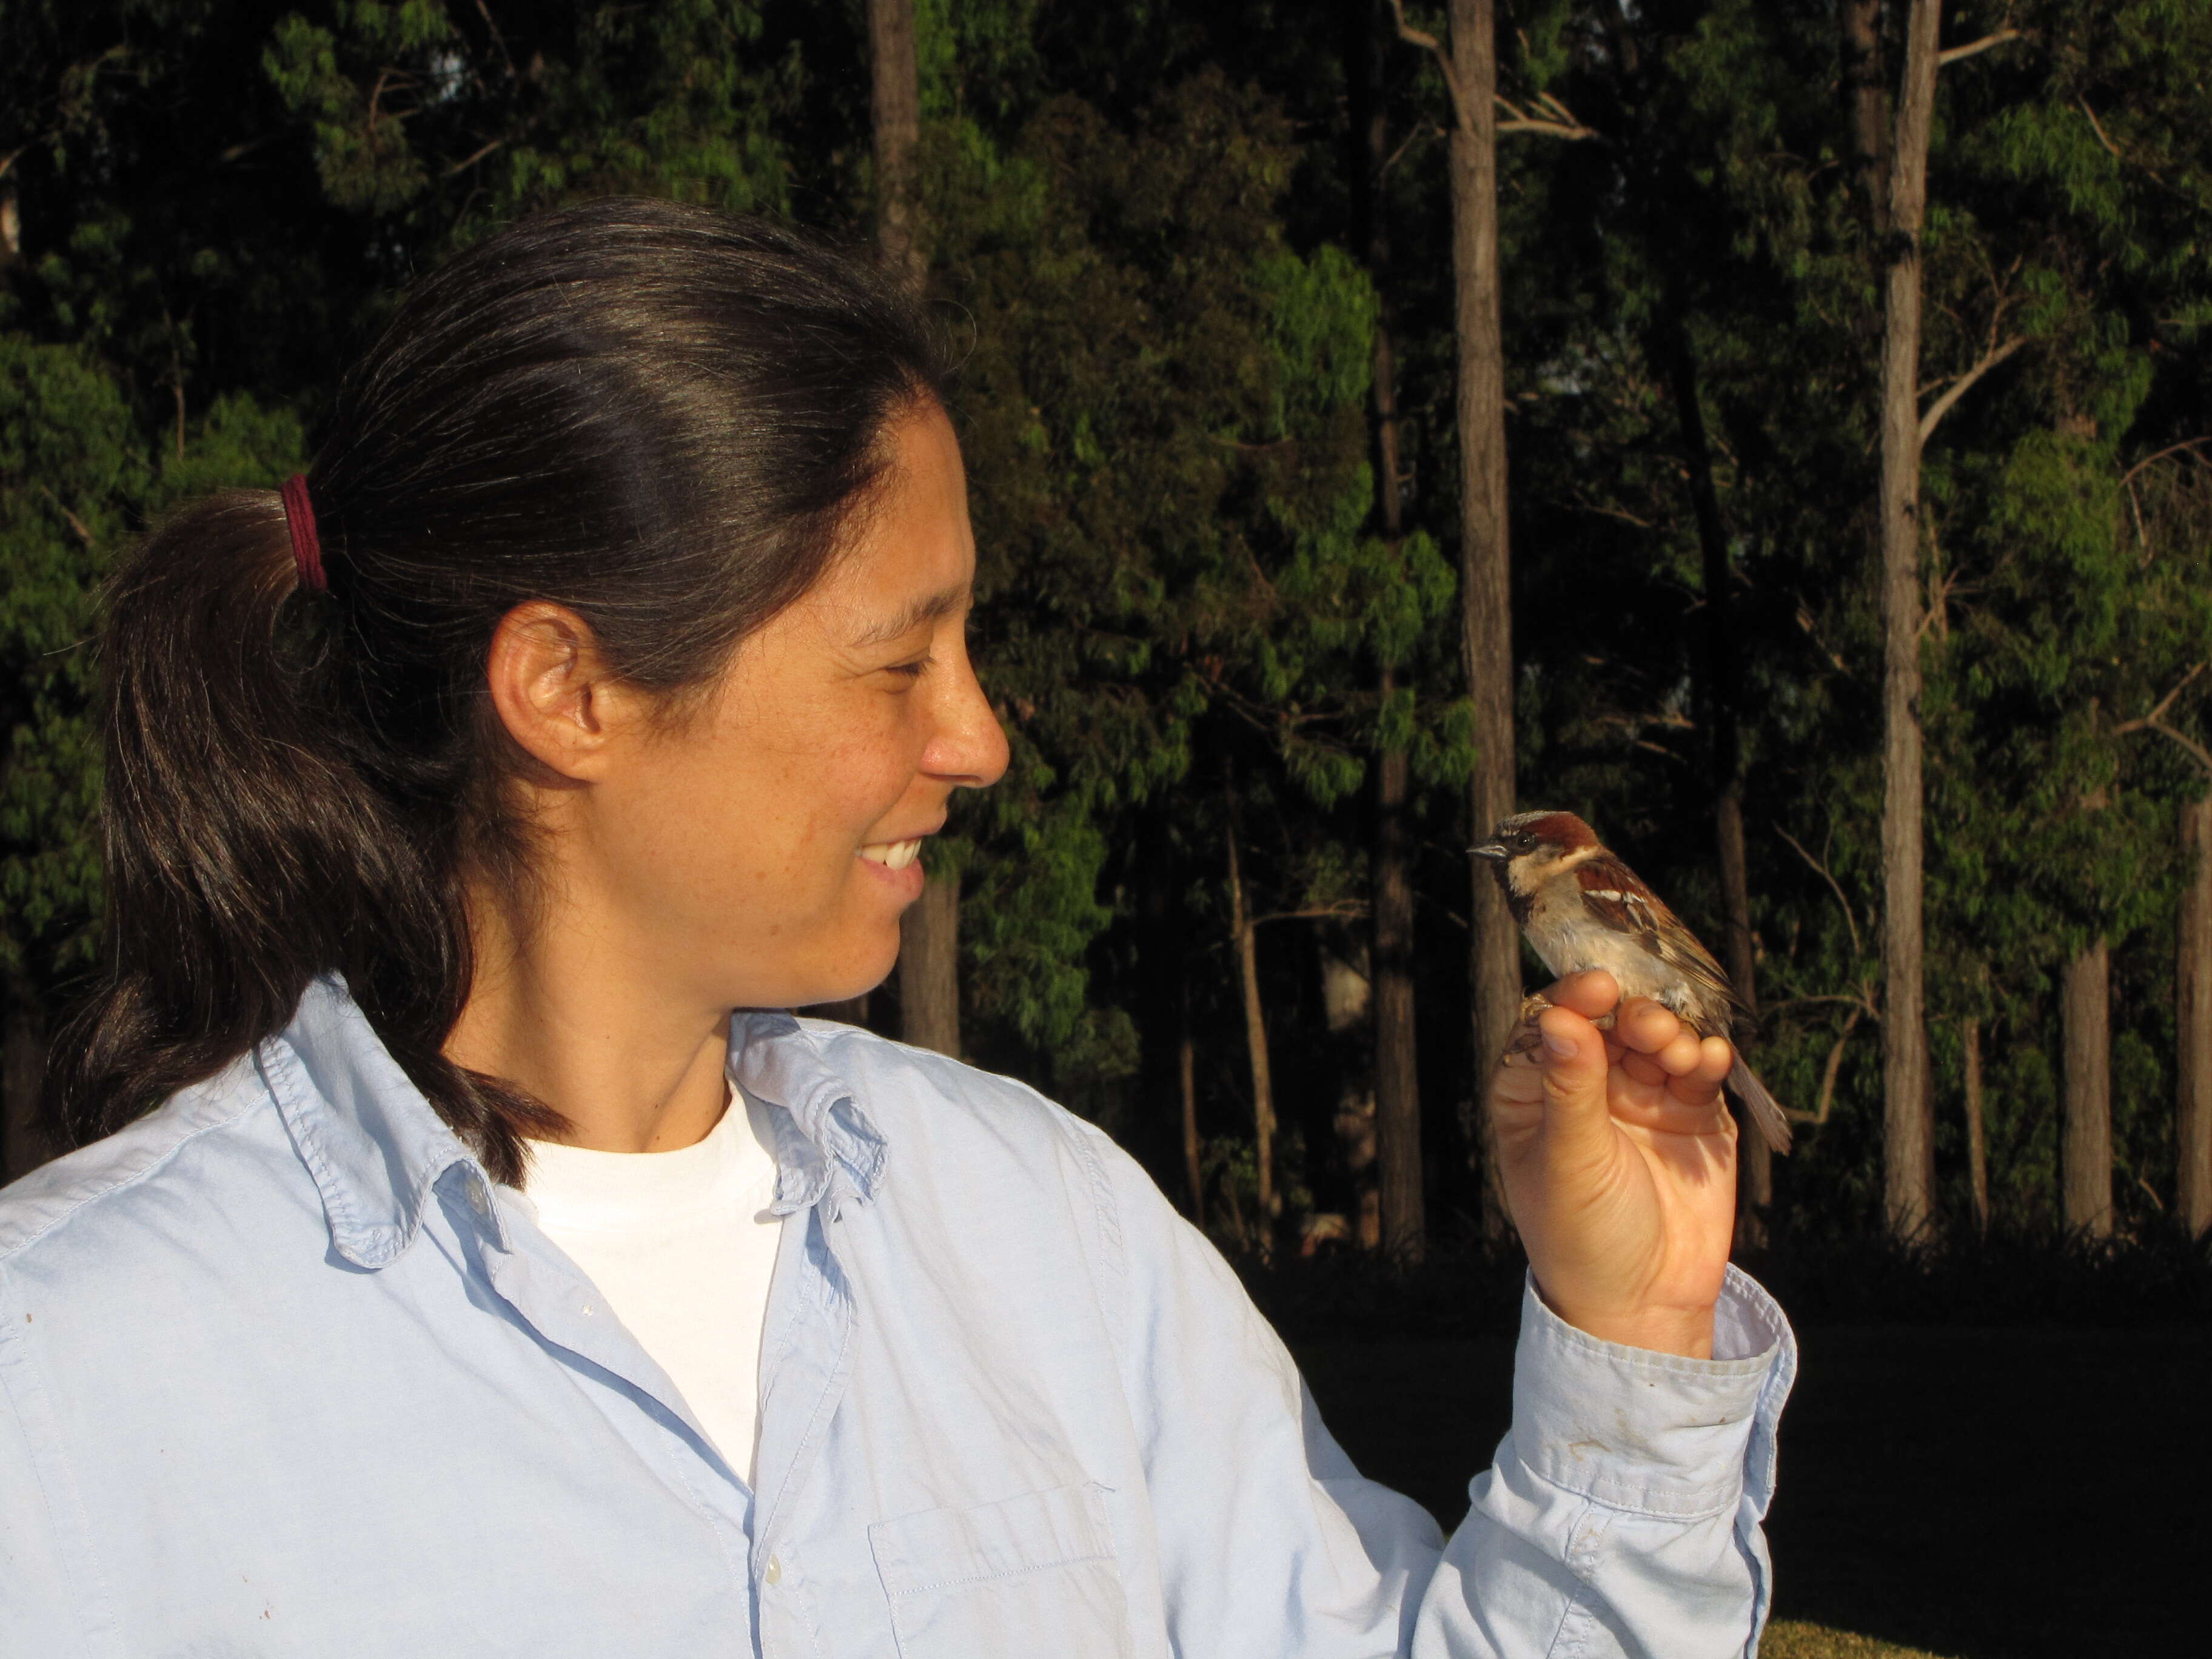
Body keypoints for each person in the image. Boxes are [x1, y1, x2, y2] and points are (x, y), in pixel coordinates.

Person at [0, 198, 1792, 1658]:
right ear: (565, 688)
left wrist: (1630, 1331)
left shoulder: (1047, 1238)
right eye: (898, 661)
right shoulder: (73, 1380)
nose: (982, 739)